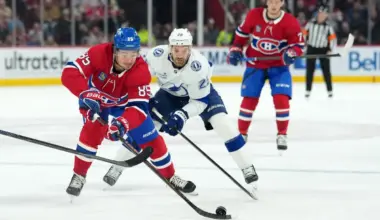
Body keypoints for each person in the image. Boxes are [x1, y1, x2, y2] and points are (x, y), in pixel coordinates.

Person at [103, 28, 259, 190]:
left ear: (190, 49)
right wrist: (143, 98)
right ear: (169, 47)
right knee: (143, 127)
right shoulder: (156, 56)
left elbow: (200, 101)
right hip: (169, 95)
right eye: (176, 49)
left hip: (201, 97)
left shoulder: (199, 66)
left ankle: (246, 166)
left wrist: (182, 115)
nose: (179, 54)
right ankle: (117, 166)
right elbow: (138, 75)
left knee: (223, 124)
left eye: (184, 50)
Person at [61, 27, 196, 198]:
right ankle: (79, 175)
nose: (129, 59)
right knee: (92, 132)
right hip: (97, 100)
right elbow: (69, 73)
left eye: (134, 54)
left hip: (125, 104)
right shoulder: (98, 53)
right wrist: (85, 93)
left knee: (151, 139)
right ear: (115, 50)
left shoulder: (140, 69)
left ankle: (170, 176)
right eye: (124, 54)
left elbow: (138, 108)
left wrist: (122, 123)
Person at [227, 0, 305, 152]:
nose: (274, 5)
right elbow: (240, 35)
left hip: (279, 66)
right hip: (255, 64)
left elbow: (298, 44)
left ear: (282, 3)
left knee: (281, 99)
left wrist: (292, 53)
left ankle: (282, 134)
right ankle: (242, 134)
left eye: (277, 2)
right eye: (271, 1)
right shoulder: (254, 15)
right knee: (249, 99)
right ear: (266, 2)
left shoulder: (290, 22)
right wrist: (236, 49)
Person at [303, 4, 336, 98]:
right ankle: (308, 90)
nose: (321, 15)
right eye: (320, 13)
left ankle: (329, 90)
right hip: (311, 48)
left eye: (324, 14)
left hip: (323, 50)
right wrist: (303, 46)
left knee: (326, 71)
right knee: (309, 71)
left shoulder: (328, 27)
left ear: (326, 15)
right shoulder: (310, 24)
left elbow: (333, 39)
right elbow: (304, 35)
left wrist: (330, 50)